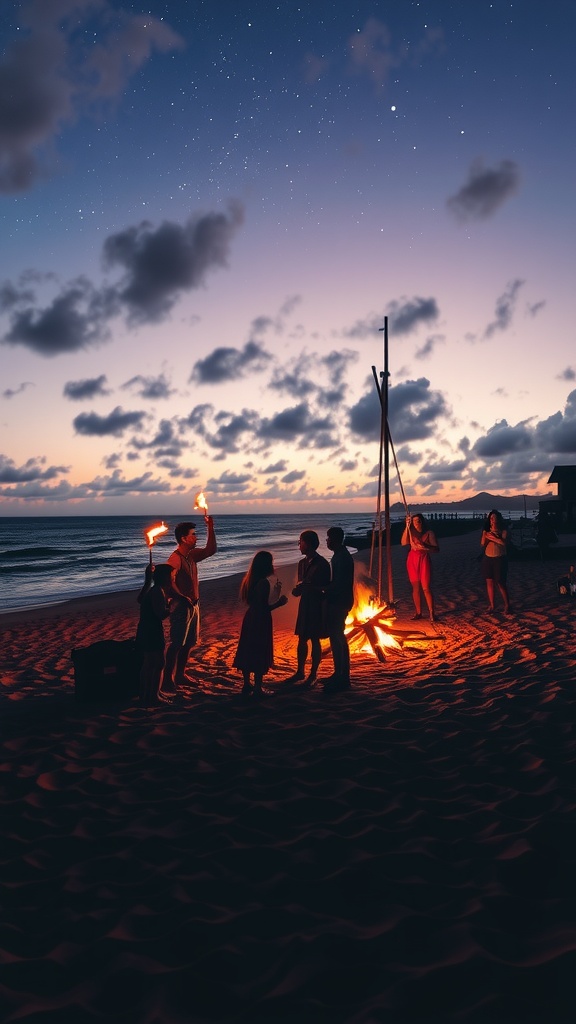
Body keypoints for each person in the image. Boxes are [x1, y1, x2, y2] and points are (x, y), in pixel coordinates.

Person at [164, 515, 217, 691]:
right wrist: (181, 597)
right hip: (181, 607)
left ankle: (180, 675)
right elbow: (169, 580)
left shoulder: (191, 555)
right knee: (176, 644)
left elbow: (211, 550)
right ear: (184, 539)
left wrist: (210, 526)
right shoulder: (175, 558)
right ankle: (167, 679)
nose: (196, 537)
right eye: (193, 534)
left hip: (194, 605)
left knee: (189, 643)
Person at [233, 550, 288, 698]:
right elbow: (264, 606)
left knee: (248, 648)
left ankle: (246, 684)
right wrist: (280, 602)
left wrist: (276, 592)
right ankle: (258, 687)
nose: (273, 565)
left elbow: (255, 602)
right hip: (260, 619)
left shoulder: (249, 580)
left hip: (250, 617)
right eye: (271, 562)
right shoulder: (263, 583)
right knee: (259, 649)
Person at [285, 530, 330, 686]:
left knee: (315, 639)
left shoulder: (323, 564)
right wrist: (298, 590)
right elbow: (301, 584)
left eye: (301, 542)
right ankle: (300, 671)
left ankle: (313, 673)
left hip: (317, 605)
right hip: (305, 604)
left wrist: (312, 588)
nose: (299, 545)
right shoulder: (302, 564)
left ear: (309, 544)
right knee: (302, 638)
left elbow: (326, 588)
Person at [135, 563, 175, 705]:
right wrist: (170, 606)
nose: (173, 578)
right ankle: (153, 696)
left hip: (144, 629)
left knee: (148, 663)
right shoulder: (158, 591)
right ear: (165, 577)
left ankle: (149, 693)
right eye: (171, 576)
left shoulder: (153, 589)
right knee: (158, 663)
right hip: (152, 630)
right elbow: (160, 614)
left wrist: (147, 580)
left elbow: (140, 599)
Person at [322, 527, 355, 693]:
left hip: (339, 601)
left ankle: (342, 676)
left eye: (328, 538)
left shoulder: (341, 557)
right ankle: (339, 673)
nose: (326, 541)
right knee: (337, 637)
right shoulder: (341, 555)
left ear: (335, 539)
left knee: (338, 637)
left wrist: (323, 590)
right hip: (341, 600)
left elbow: (339, 583)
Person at [401, 512, 439, 622]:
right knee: (415, 588)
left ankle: (432, 613)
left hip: (424, 560)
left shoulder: (429, 533)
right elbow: (403, 542)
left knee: (426, 587)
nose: (416, 523)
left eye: (418, 521)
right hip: (412, 560)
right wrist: (406, 526)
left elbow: (436, 549)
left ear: (422, 521)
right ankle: (418, 613)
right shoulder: (410, 533)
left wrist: (425, 546)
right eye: (414, 521)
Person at [481, 509, 511, 614]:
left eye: (495, 517)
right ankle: (492, 605)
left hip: (500, 558)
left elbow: (504, 543)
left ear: (498, 519)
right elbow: (482, 544)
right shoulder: (486, 532)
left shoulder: (503, 531)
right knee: (489, 581)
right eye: (491, 518)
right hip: (488, 558)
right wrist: (488, 537)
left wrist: (494, 538)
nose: (493, 520)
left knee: (500, 582)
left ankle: (507, 605)